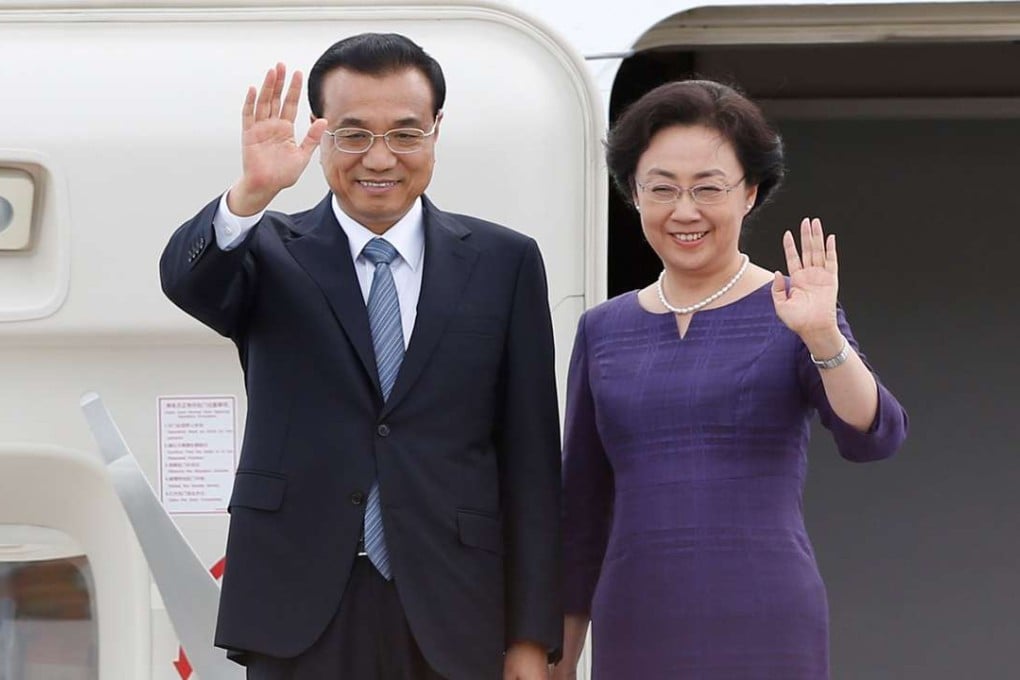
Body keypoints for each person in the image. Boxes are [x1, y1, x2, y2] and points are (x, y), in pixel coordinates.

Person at [160, 33, 562, 680]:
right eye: (353, 134)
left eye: (405, 134)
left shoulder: (504, 261)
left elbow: (532, 461)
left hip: (456, 606)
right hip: (297, 605)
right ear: (320, 136)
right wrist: (251, 193)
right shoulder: (267, 250)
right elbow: (187, 281)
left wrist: (530, 638)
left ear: (436, 130)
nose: (380, 158)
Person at [554, 80, 908, 679]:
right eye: (661, 188)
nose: (683, 210)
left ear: (749, 192)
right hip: (635, 616)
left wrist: (824, 337)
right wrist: (560, 654)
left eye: (707, 189)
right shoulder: (602, 329)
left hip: (764, 614)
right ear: (634, 195)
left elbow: (875, 434)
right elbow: (582, 511)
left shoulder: (795, 309)